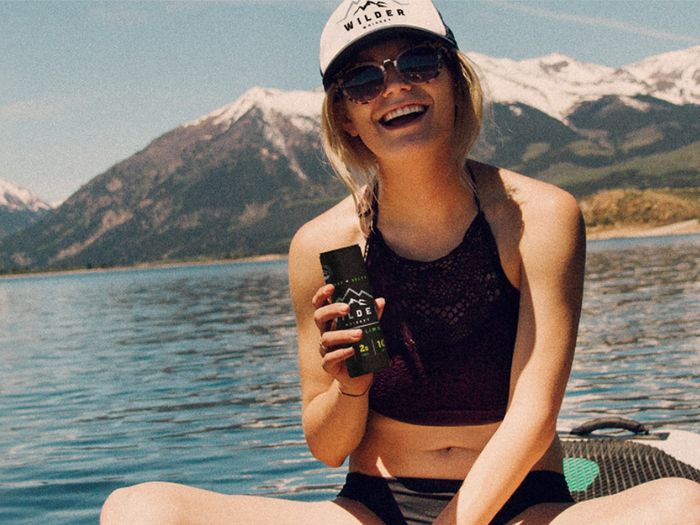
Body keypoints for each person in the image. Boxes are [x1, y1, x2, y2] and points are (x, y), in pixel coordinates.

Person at [101, 1, 700, 523]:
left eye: (417, 63)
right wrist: (351, 390)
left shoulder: (535, 216)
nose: (394, 88)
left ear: (455, 80)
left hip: (523, 504)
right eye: (362, 81)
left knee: (682, 505)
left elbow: (534, 416)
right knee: (137, 509)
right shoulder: (331, 244)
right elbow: (329, 447)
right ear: (345, 116)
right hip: (374, 507)